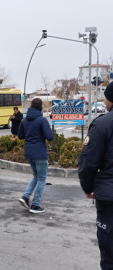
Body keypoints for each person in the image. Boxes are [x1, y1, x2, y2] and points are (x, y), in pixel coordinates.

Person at [78, 81, 113, 269]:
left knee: (110, 254)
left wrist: (88, 188)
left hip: (109, 199)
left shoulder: (102, 124)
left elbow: (88, 163)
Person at [18, 98, 54, 214]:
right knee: (42, 178)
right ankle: (35, 205)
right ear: (41, 108)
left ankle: (25, 197)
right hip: (39, 153)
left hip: (29, 153)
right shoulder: (42, 120)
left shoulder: (25, 120)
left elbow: (20, 135)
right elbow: (50, 137)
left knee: (36, 176)